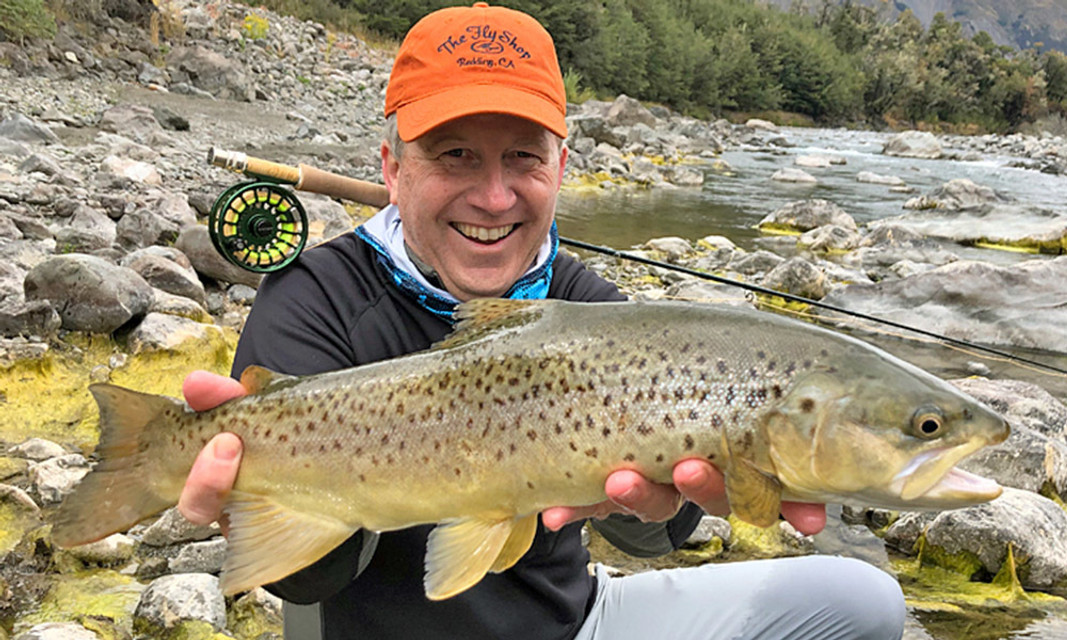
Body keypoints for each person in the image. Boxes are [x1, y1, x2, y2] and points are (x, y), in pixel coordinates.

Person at [178, 3, 907, 639]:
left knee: (860, 599)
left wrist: (672, 495)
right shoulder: (317, 296)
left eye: (521, 158)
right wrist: (253, 503)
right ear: (392, 169)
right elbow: (306, 585)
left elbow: (661, 535)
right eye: (454, 156)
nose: (493, 198)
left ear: (560, 169)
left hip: (575, 627)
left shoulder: (584, 306)